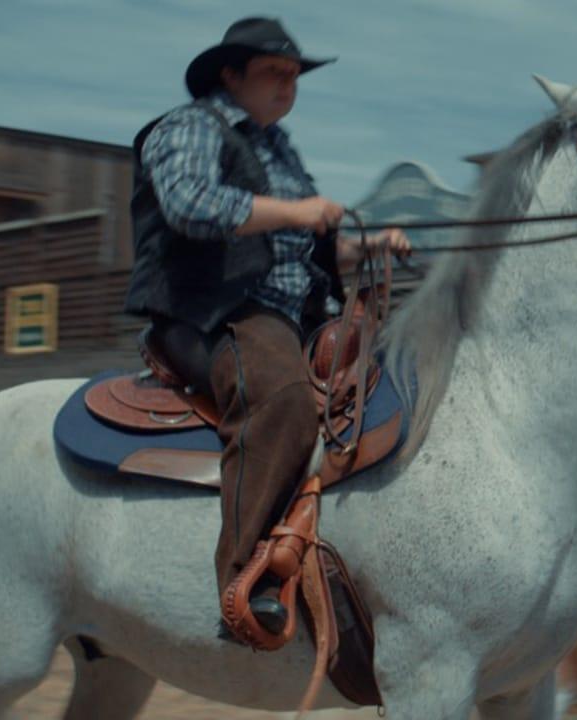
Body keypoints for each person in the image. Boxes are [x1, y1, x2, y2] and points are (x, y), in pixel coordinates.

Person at [123, 17, 410, 638]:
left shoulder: (278, 147)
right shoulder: (190, 127)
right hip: (217, 311)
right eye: (274, 73)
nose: (288, 87)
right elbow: (190, 205)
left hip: (296, 312)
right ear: (231, 74)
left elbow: (306, 246)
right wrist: (300, 211)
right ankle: (244, 583)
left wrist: (368, 247)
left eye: (294, 77)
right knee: (281, 401)